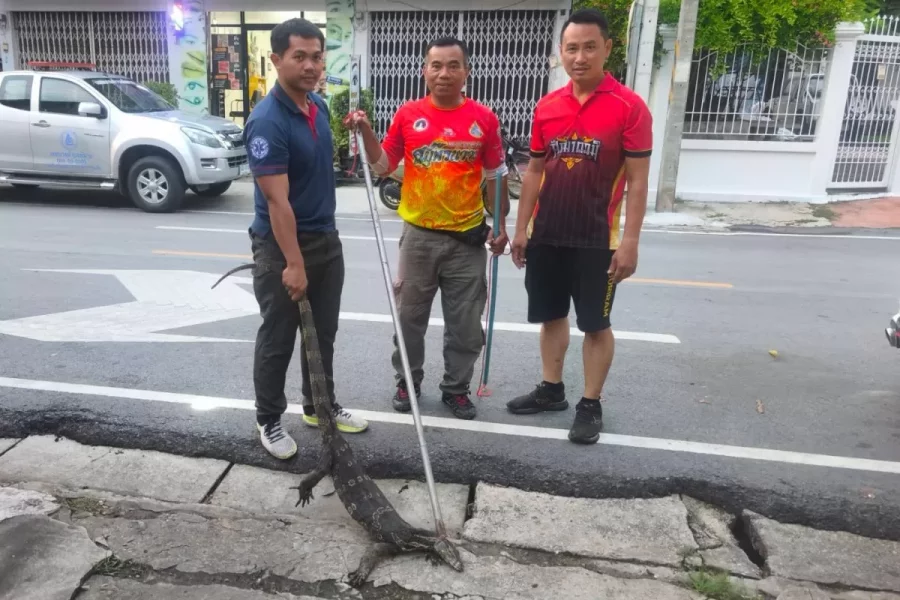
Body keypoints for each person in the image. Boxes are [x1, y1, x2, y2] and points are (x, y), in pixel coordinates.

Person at [507, 8, 653, 445]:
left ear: (607, 48)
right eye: (572, 48)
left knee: (594, 323)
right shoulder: (547, 106)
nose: (580, 57)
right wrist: (521, 229)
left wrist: (630, 242)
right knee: (551, 316)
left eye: (590, 47)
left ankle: (590, 403)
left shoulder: (629, 107)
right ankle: (551, 390)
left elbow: (638, 181)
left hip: (597, 239)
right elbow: (534, 171)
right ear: (561, 52)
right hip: (548, 234)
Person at [347, 37, 509, 421]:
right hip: (418, 237)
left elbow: (495, 175)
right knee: (409, 319)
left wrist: (501, 225)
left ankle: (456, 388)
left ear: (466, 72)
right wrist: (365, 129)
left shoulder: (484, 119)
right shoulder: (408, 114)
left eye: (453, 65)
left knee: (466, 324)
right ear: (424, 71)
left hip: (467, 240)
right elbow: (384, 165)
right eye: (436, 65)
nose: (444, 73)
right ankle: (408, 380)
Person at [243, 17, 368, 460]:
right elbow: (276, 202)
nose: (311, 66)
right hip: (282, 247)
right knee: (278, 336)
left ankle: (319, 405)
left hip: (324, 239)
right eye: (300, 57)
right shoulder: (267, 121)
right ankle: (269, 419)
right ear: (277, 60)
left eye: (317, 56)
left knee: (323, 333)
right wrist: (293, 263)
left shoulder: (316, 105)